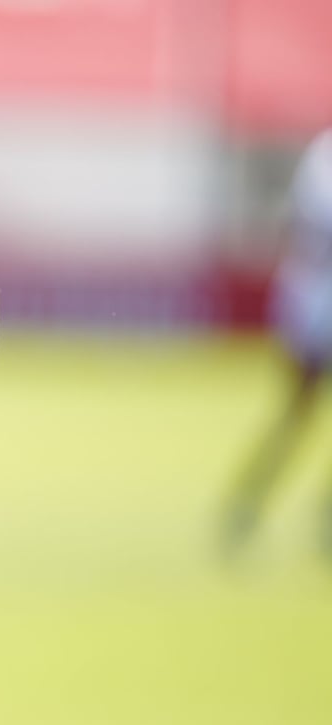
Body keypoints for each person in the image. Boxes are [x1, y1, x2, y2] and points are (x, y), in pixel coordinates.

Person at [223, 127, 332, 557]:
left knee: (295, 418)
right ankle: (247, 502)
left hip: (312, 300)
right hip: (317, 306)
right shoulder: (323, 160)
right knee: (297, 417)